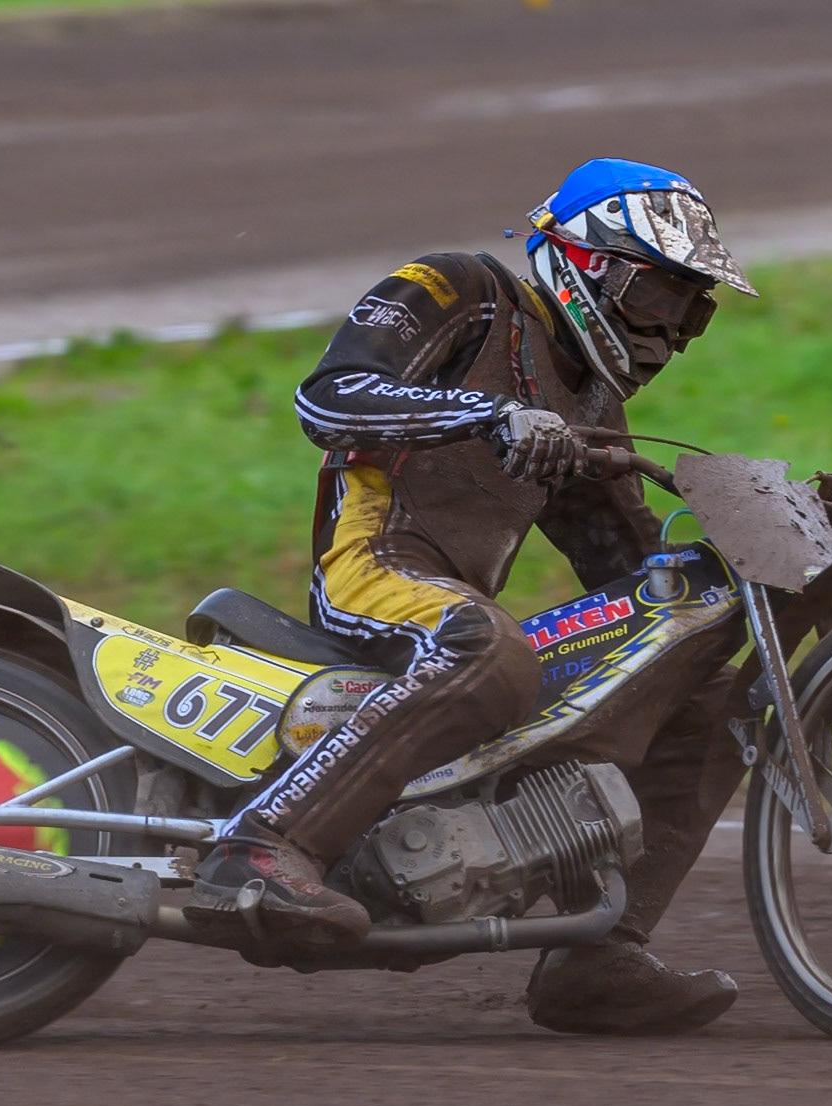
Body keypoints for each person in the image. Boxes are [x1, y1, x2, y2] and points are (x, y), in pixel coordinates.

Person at [184, 159, 758, 1034]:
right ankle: (260, 848)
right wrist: (484, 416)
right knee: (490, 650)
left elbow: (627, 562)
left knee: (702, 686)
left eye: (693, 311)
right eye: (658, 299)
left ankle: (595, 960)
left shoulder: (588, 406)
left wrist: (752, 556)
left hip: (450, 607)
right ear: (585, 261)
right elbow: (328, 396)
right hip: (370, 567)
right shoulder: (464, 289)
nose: (670, 332)